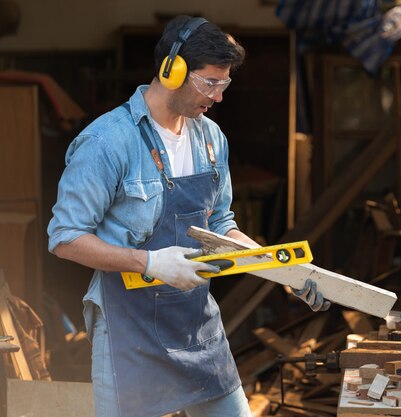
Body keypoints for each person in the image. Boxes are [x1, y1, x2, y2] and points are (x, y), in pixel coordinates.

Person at [47, 15, 329, 417]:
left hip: (196, 324)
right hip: (128, 328)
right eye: (210, 82)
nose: (218, 97)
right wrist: (148, 262)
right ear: (172, 70)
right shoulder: (107, 141)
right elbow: (65, 237)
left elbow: (221, 227)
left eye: (224, 84)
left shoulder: (211, 138)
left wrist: (283, 271)